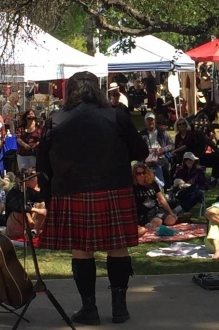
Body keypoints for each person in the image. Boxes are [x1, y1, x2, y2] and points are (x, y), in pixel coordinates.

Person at [36, 71, 149, 325]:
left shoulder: (55, 120)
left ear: (69, 92)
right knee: (118, 248)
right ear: (97, 90)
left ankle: (90, 309)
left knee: (81, 251)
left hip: (71, 191)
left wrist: (48, 197)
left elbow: (42, 165)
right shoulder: (117, 115)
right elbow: (141, 151)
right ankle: (119, 308)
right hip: (113, 189)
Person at [132, 163, 177, 231]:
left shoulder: (152, 183)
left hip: (156, 210)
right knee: (158, 221)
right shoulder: (133, 187)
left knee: (171, 220)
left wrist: (170, 211)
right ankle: (154, 224)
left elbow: (161, 199)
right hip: (143, 213)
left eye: (143, 173)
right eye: (138, 173)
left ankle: (156, 224)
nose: (141, 175)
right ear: (135, 175)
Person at [5, 167, 46, 239]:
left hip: (28, 223)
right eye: (20, 178)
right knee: (23, 212)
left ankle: (33, 231)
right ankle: (31, 230)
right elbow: (17, 207)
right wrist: (36, 210)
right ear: (16, 179)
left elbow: (41, 198)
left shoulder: (29, 191)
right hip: (15, 224)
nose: (22, 180)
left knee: (42, 204)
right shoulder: (12, 193)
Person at [140, 112, 174, 191]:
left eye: (152, 120)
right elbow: (137, 148)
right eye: (148, 120)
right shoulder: (142, 134)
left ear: (155, 121)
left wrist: (162, 149)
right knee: (137, 168)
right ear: (145, 122)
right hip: (147, 157)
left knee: (164, 165)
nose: (150, 122)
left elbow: (171, 145)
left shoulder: (162, 132)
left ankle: (167, 189)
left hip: (160, 157)